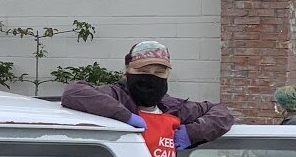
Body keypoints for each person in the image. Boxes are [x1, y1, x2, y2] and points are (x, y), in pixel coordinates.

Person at [61, 40, 233, 150]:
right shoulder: (114, 95)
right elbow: (74, 92)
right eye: (142, 70)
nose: (151, 77)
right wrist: (124, 116)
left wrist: (192, 132)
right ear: (126, 72)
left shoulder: (173, 107)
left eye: (159, 72)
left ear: (167, 76)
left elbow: (221, 113)